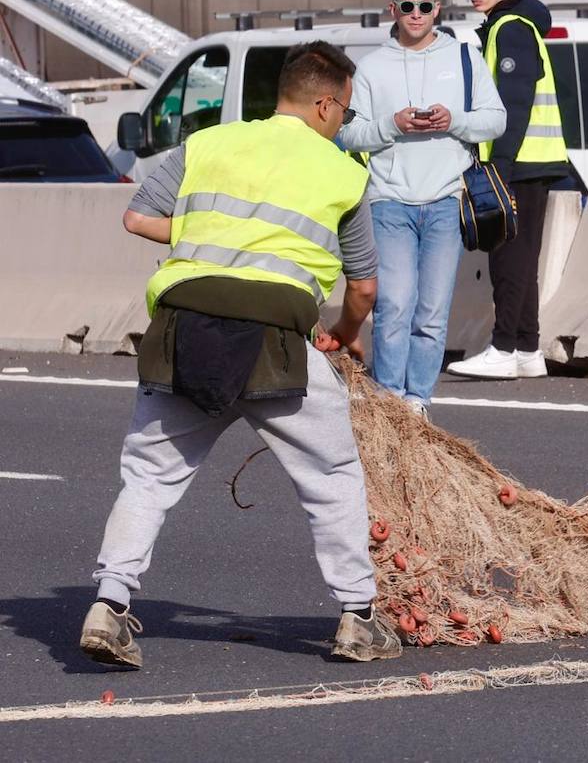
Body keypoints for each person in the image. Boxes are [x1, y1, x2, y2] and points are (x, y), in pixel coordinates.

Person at [80, 42, 401, 668]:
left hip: (184, 330)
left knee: (149, 477)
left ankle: (109, 605)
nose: (344, 124)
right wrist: (343, 332)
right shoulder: (344, 173)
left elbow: (137, 218)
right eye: (346, 112)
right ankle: (359, 618)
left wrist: (210, 236)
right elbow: (363, 286)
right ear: (325, 105)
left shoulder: (206, 144)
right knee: (331, 476)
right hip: (276, 341)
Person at [337, 0, 506, 416]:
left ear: (437, 9)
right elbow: (348, 133)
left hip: (447, 201)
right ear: (392, 10)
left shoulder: (464, 58)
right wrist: (392, 124)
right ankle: (390, 398)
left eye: (425, 6)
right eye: (408, 7)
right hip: (389, 201)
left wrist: (455, 120)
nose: (417, 15)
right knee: (394, 305)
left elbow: (496, 119)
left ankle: (418, 400)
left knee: (431, 312)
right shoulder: (371, 67)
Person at [446, 0, 569, 381]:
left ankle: (503, 348)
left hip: (519, 161)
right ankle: (527, 348)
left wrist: (498, 164)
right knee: (522, 257)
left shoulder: (510, 28)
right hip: (532, 161)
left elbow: (515, 103)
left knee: (508, 258)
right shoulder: (511, 25)